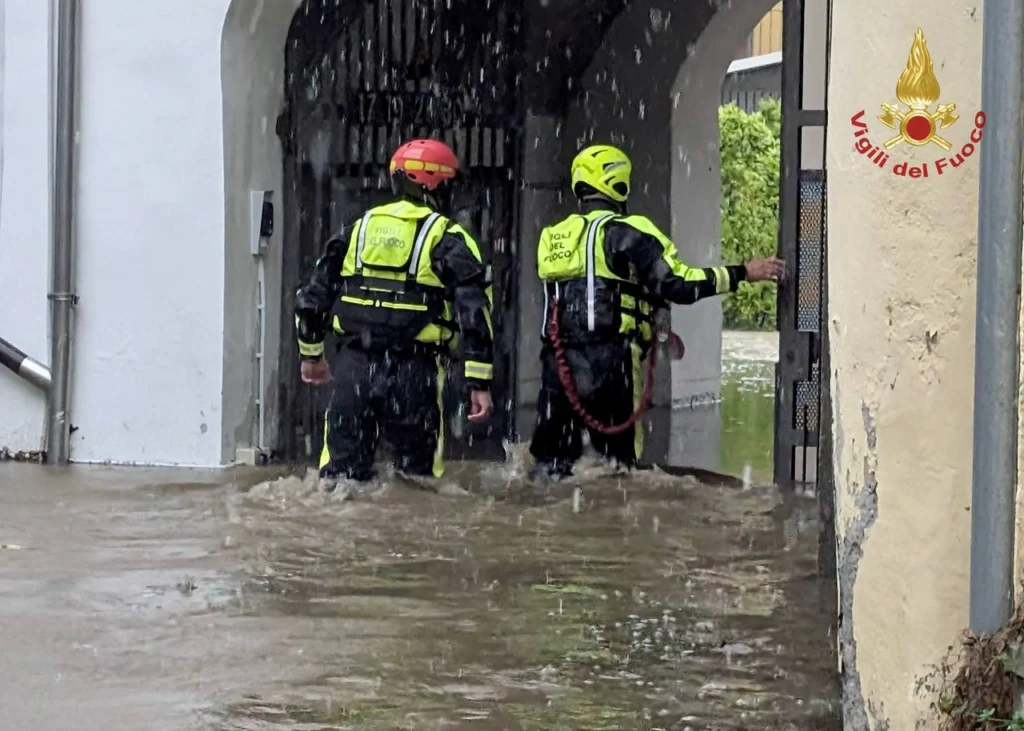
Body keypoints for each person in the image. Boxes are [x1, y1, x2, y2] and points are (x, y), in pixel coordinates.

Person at [529, 143, 785, 480]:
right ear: (619, 183)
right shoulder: (630, 231)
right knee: (617, 469)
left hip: (557, 367)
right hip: (612, 362)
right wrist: (742, 273)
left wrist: (662, 333)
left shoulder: (553, 236)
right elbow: (675, 285)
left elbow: (643, 295)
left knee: (550, 466)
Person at [294, 138, 495, 489]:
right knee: (416, 484)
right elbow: (474, 311)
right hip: (415, 373)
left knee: (338, 482)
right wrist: (479, 381)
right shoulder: (448, 237)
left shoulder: (356, 230)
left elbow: (313, 297)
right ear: (435, 184)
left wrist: (311, 355)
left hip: (354, 368)